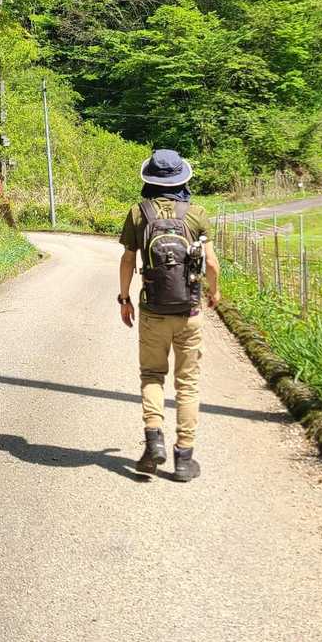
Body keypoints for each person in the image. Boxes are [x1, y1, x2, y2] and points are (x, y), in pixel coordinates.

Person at [117, 149, 220, 482]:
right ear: (182, 179)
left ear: (149, 179)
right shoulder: (196, 214)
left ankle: (154, 439)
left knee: (152, 375)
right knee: (187, 384)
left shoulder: (138, 213)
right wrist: (214, 292)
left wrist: (124, 299)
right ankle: (184, 459)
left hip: (153, 309)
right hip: (189, 309)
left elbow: (127, 260)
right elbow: (211, 263)